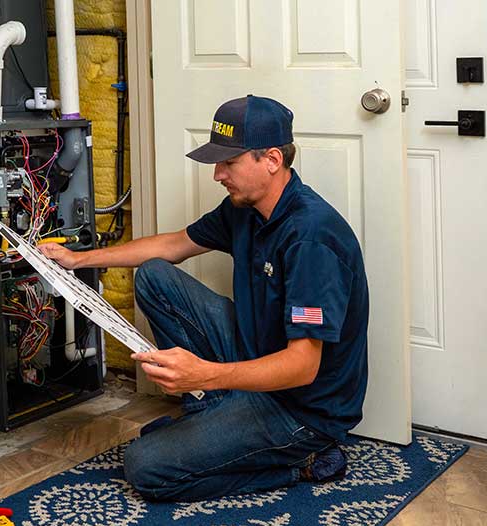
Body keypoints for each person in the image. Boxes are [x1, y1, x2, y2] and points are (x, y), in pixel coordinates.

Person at [38, 95, 369, 502]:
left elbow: (302, 367)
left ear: (271, 160)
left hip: (302, 409)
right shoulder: (246, 209)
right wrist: (79, 259)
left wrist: (204, 375)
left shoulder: (310, 238)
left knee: (145, 466)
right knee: (155, 276)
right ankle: (217, 414)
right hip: (256, 354)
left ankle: (301, 462)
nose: (217, 175)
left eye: (228, 162)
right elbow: (174, 245)